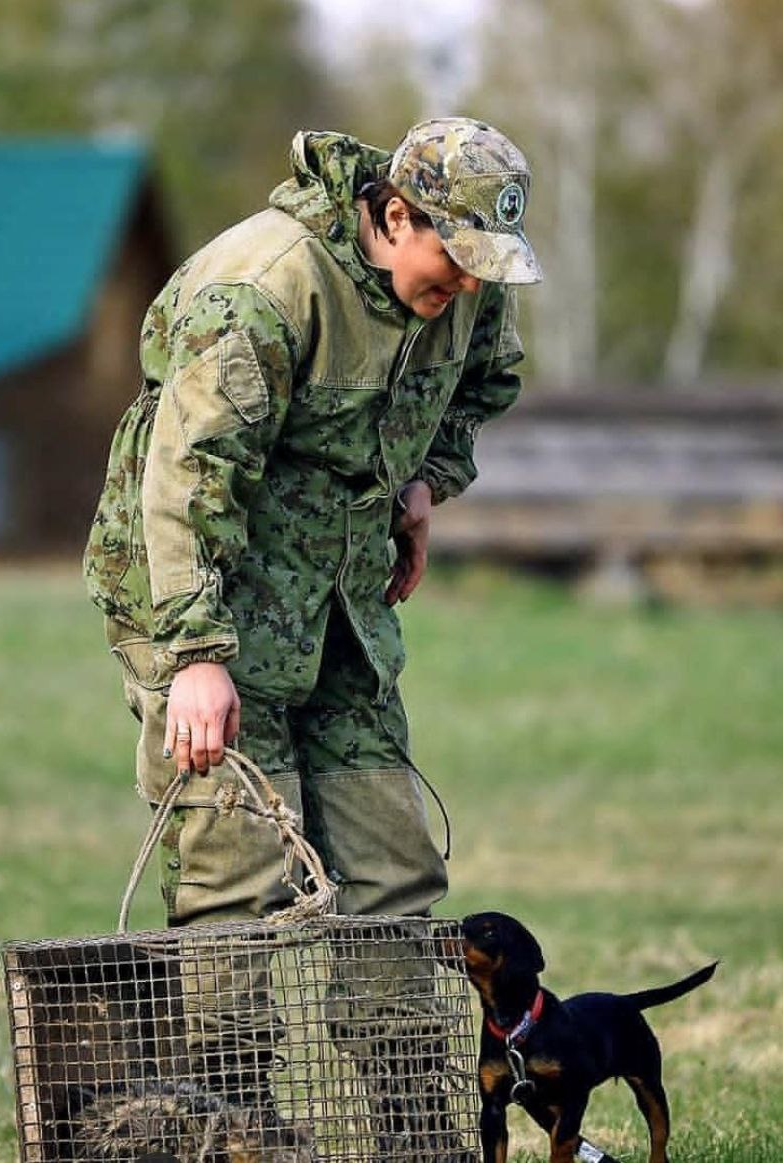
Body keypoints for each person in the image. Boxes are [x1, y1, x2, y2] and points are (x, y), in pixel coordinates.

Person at [84, 117, 541, 1155]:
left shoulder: (465, 286)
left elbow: (480, 383)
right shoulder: (266, 287)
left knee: (393, 866)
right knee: (239, 879)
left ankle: (416, 1130)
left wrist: (423, 480)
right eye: (451, 260)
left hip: (340, 604)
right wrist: (195, 655)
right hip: (203, 591)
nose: (467, 286)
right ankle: (230, 1129)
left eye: (483, 267)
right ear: (391, 215)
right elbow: (185, 476)